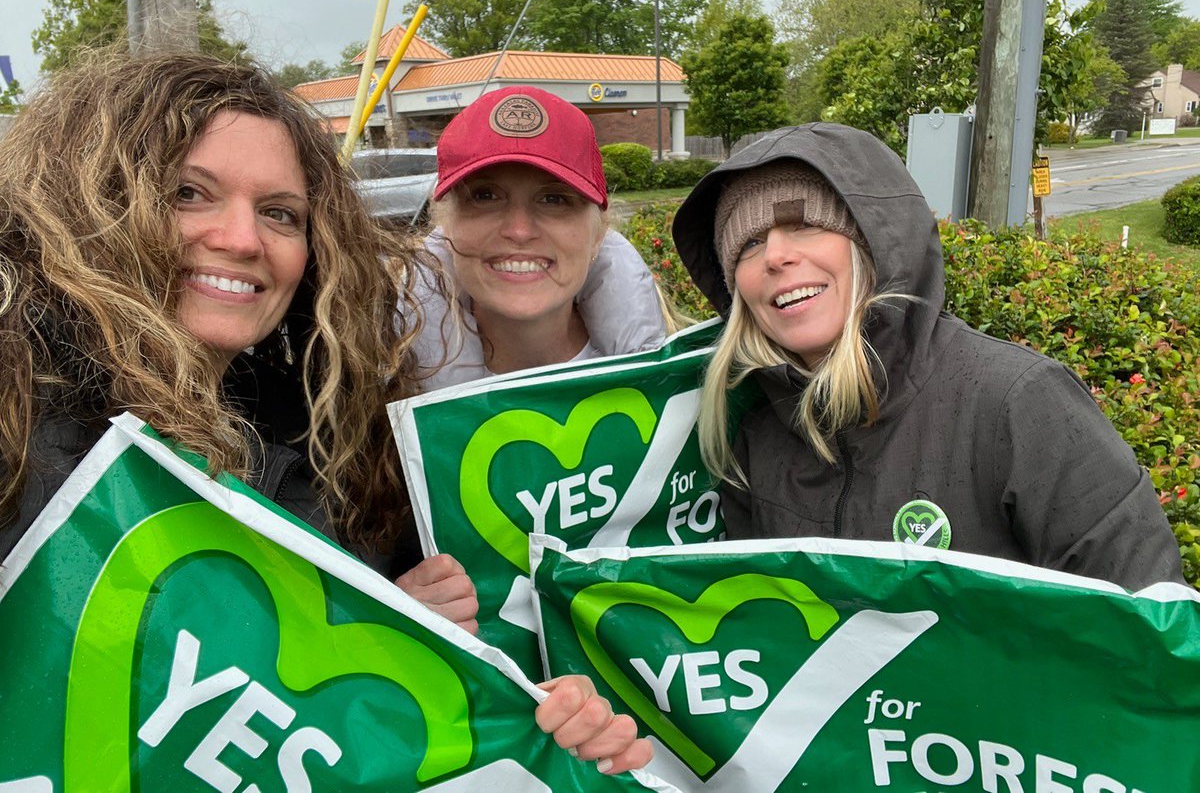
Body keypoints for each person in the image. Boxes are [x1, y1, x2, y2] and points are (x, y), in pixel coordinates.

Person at [0, 51, 651, 773]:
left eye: (279, 213)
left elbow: (359, 708)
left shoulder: (335, 435)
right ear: (91, 198)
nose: (241, 239)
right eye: (188, 194)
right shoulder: (18, 420)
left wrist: (402, 637)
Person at [671, 122, 1183, 590]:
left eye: (804, 224)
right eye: (749, 244)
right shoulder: (751, 427)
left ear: (873, 243)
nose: (776, 256)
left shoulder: (1019, 402)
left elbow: (1144, 622)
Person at [410, 85, 669, 389]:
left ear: (598, 233)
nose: (519, 231)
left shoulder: (691, 387)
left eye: (554, 199)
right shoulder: (376, 391)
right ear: (445, 224)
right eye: (485, 196)